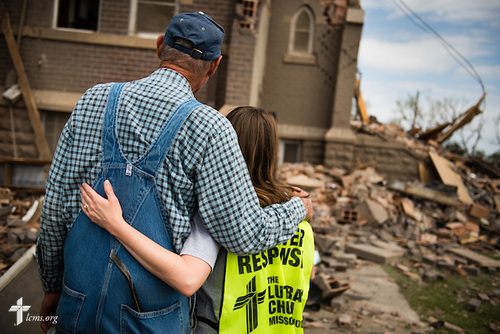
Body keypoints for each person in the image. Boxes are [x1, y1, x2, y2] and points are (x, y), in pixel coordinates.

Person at [36, 11, 312, 334]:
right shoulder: (210, 129)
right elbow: (245, 234)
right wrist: (297, 209)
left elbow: (55, 209)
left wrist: (52, 286)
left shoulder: (93, 100)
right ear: (215, 65)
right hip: (152, 320)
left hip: (77, 305)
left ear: (159, 47)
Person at [80, 106, 315, 333]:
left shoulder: (221, 210)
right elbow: (309, 272)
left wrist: (116, 225)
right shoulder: (298, 214)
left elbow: (187, 278)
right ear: (272, 152)